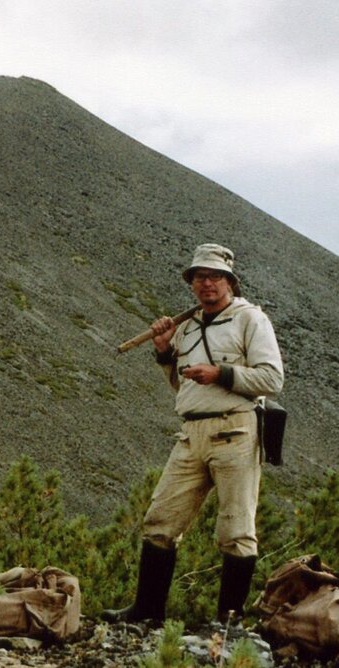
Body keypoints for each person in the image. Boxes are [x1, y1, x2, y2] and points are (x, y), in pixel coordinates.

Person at [103, 243, 284, 625]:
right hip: (191, 433)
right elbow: (183, 388)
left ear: (230, 281)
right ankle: (147, 611)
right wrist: (165, 352)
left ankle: (228, 624)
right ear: (191, 283)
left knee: (236, 530)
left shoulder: (251, 320)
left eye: (215, 276)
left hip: (236, 430)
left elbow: (272, 379)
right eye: (199, 277)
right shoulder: (186, 326)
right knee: (159, 522)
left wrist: (220, 374)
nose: (207, 284)